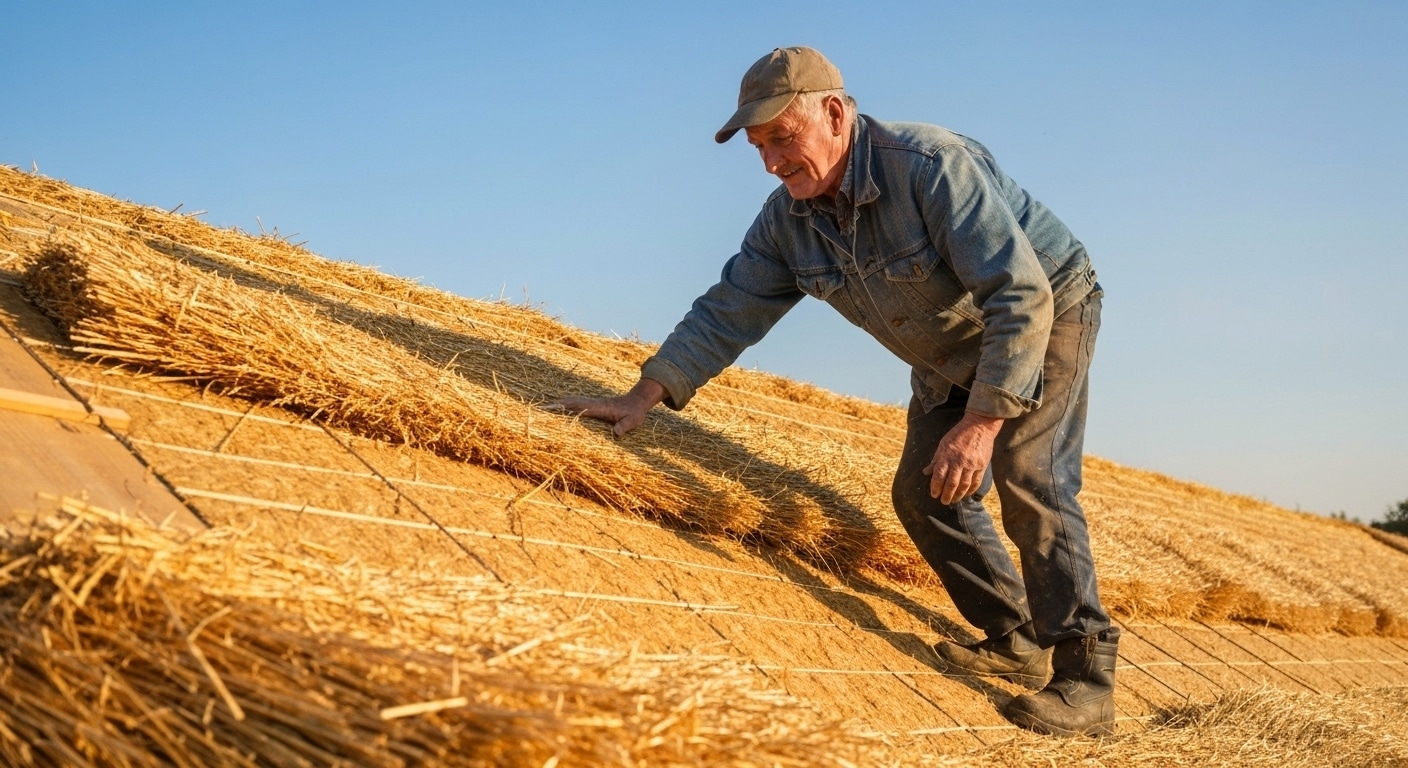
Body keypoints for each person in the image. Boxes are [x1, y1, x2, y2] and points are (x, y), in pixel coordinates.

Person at [553, 46, 1119, 737]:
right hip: (947, 346)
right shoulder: (786, 223)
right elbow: (728, 309)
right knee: (920, 493)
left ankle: (1087, 679)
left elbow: (1019, 293)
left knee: (1030, 477)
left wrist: (981, 422)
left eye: (782, 139)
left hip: (1046, 310)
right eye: (758, 148)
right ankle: (1016, 638)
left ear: (833, 113)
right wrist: (643, 396)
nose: (771, 162)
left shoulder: (932, 168)